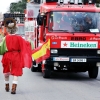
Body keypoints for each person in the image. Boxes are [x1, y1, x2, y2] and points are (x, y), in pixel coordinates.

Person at [0, 18, 32, 94]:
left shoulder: (5, 38)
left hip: (7, 56)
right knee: (15, 73)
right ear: (16, 29)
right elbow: (26, 45)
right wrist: (29, 40)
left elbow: (1, 48)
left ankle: (7, 86)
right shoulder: (19, 38)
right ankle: (13, 89)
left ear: (8, 30)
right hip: (16, 56)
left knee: (6, 72)